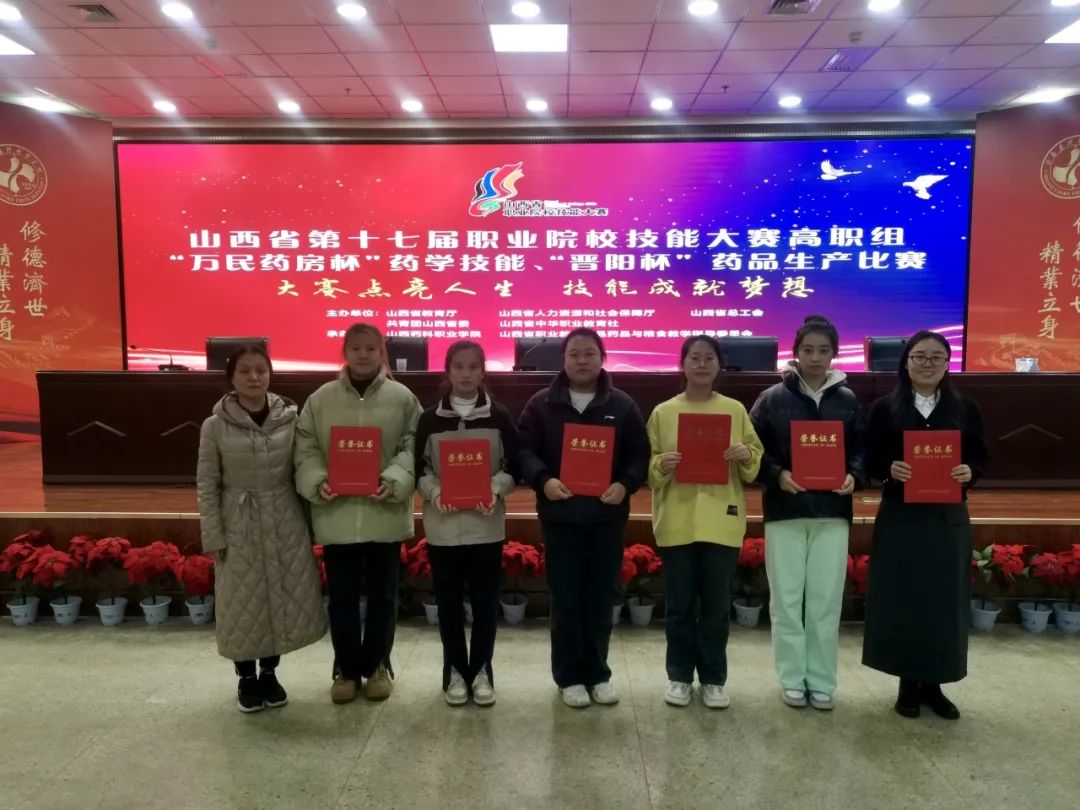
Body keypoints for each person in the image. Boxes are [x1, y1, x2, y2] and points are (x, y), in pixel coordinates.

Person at [517, 328, 649, 708]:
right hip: (561, 516)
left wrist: (625, 484)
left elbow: (639, 454)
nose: (582, 360)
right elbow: (524, 450)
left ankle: (598, 673)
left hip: (606, 517)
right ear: (564, 359)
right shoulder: (541, 404)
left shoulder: (622, 404)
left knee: (601, 597)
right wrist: (544, 480)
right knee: (566, 599)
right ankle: (569, 676)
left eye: (589, 353)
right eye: (574, 354)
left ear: (601, 357)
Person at [862, 330, 987, 720]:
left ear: (948, 364)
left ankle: (934, 684)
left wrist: (970, 472)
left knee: (943, 600)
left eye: (936, 357)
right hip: (902, 515)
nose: (927, 364)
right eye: (919, 356)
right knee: (904, 597)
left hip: (946, 517)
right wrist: (889, 469)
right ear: (906, 363)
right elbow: (868, 459)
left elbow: (980, 457)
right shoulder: (884, 408)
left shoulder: (965, 408)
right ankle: (907, 684)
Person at [294, 323, 422, 705]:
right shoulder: (321, 399)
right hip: (339, 513)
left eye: (370, 348)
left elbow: (413, 444)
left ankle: (378, 665)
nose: (363, 355)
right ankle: (346, 670)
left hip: (384, 511)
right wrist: (318, 481)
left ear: (382, 353)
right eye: (356, 348)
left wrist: (395, 479)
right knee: (343, 597)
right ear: (345, 352)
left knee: (384, 596)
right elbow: (306, 447)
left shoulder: (403, 398)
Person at [196, 345, 327, 713]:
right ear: (231, 378)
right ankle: (246, 678)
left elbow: (304, 467)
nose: (254, 378)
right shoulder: (214, 425)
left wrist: (313, 523)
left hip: (284, 517)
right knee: (242, 602)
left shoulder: (291, 418)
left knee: (279, 597)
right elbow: (207, 483)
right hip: (239, 521)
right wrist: (213, 534)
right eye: (245, 371)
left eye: (261, 370)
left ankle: (269, 673)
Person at [749, 315, 864, 711]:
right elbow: (753, 450)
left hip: (832, 512)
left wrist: (854, 475)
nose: (815, 357)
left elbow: (862, 450)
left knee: (825, 602)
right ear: (796, 352)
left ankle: (821, 680)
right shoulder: (771, 399)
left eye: (824, 350)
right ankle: (791, 678)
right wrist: (776, 475)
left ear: (834, 354)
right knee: (785, 600)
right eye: (808, 349)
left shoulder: (848, 400)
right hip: (786, 511)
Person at [648, 335, 763, 710]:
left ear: (719, 365)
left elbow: (754, 462)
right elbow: (647, 468)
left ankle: (714, 679)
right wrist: (661, 464)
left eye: (708, 358)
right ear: (682, 364)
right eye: (694, 358)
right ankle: (679, 676)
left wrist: (744, 453)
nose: (701, 364)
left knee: (716, 608)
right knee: (680, 607)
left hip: (720, 521)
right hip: (677, 520)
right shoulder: (664, 412)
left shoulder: (734, 410)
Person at [415, 340, 519, 707]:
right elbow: (420, 470)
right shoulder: (429, 419)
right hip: (443, 528)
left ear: (483, 371)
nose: (466, 374)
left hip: (485, 526)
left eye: (473, 366)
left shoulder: (499, 416)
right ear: (447, 371)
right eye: (458, 366)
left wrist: (495, 488)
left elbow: (513, 467)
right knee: (448, 605)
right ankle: (455, 671)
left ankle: (482, 670)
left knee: (486, 604)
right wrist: (435, 492)